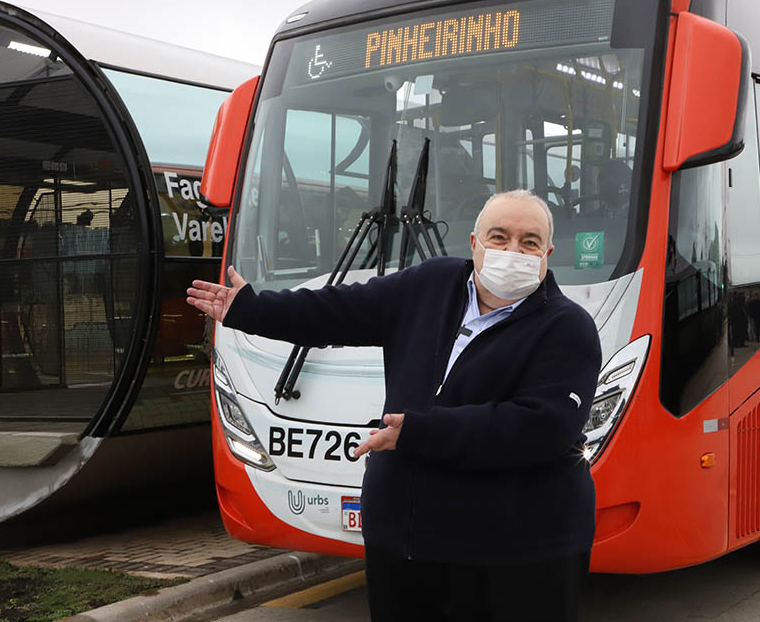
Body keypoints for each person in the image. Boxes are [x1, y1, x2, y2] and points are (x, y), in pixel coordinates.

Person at [187, 189, 601, 621]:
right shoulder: (431, 285)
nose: (512, 251)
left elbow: (541, 429)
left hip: (513, 554)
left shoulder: (568, 327)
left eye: (529, 242)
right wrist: (251, 310)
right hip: (404, 543)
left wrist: (419, 432)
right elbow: (338, 309)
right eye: (499, 237)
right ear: (475, 244)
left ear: (547, 254)